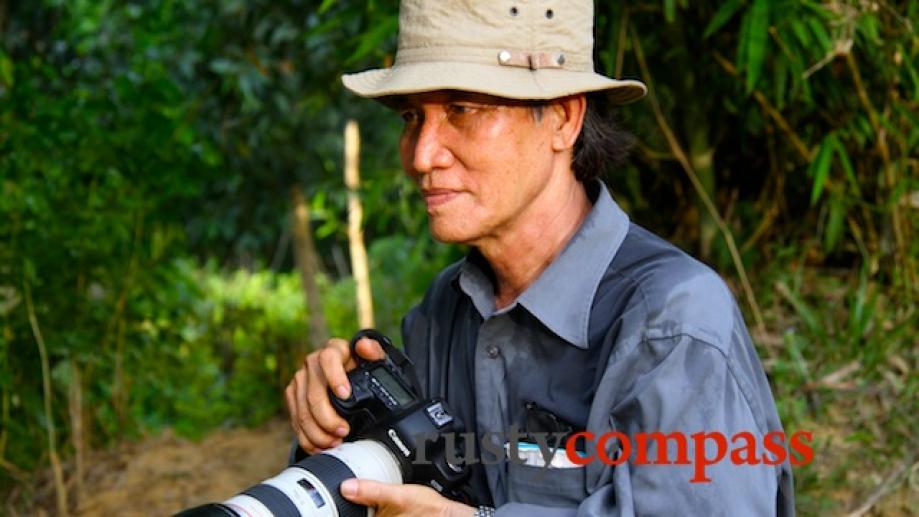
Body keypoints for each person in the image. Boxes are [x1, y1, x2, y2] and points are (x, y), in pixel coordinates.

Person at [285, 1, 795, 515]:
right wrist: (334, 427)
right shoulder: (446, 311)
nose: (422, 155)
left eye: (462, 110)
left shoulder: (672, 321)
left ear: (563, 118)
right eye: (413, 117)